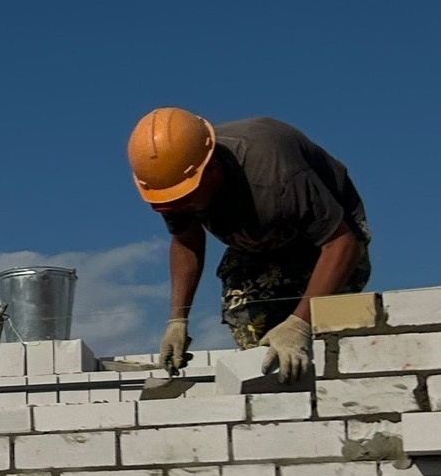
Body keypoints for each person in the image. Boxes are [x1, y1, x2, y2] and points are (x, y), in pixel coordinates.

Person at [129, 109, 371, 382]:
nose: (179, 209)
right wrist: (177, 320)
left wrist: (299, 324)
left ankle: (330, 397)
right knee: (249, 325)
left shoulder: (277, 175)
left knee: (327, 330)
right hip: (257, 239)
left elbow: (341, 244)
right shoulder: (173, 178)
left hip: (328, 241)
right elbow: (186, 240)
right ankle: (282, 404)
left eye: (186, 200)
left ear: (210, 170)